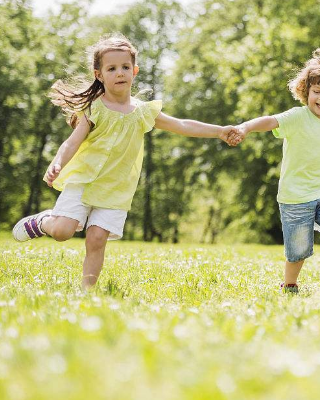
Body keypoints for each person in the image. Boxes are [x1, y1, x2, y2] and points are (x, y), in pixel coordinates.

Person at [12, 35, 240, 290]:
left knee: (97, 239)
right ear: (99, 74)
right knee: (63, 232)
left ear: (135, 71)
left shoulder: (143, 111)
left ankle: (87, 292)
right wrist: (57, 163)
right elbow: (72, 142)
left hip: (116, 189)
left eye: (125, 67)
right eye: (111, 68)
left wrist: (219, 130)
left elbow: (182, 124)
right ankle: (42, 222)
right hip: (84, 181)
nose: (119, 73)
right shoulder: (93, 108)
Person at [233, 49, 320, 292]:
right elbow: (271, 121)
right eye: (317, 91)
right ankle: (290, 285)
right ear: (306, 90)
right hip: (295, 198)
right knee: (298, 252)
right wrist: (246, 127)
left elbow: (315, 146)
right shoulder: (297, 117)